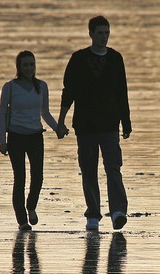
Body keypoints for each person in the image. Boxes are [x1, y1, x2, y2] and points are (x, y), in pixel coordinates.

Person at [56, 16, 132, 231]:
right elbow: (68, 92)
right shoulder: (78, 59)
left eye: (107, 33)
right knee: (89, 169)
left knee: (113, 167)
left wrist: (126, 122)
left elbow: (121, 92)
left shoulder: (116, 58)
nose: (104, 37)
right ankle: (93, 215)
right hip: (85, 125)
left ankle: (118, 211)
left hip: (109, 124)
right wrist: (61, 122)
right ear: (91, 34)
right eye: (100, 33)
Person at [0, 50, 68, 230]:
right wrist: (2, 141)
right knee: (19, 178)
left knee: (38, 177)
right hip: (15, 137)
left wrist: (57, 128)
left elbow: (45, 112)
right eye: (25, 65)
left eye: (32, 64)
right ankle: (22, 220)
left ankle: (31, 206)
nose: (29, 68)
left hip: (36, 136)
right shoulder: (10, 87)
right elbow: (2, 114)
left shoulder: (42, 86)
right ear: (19, 67)